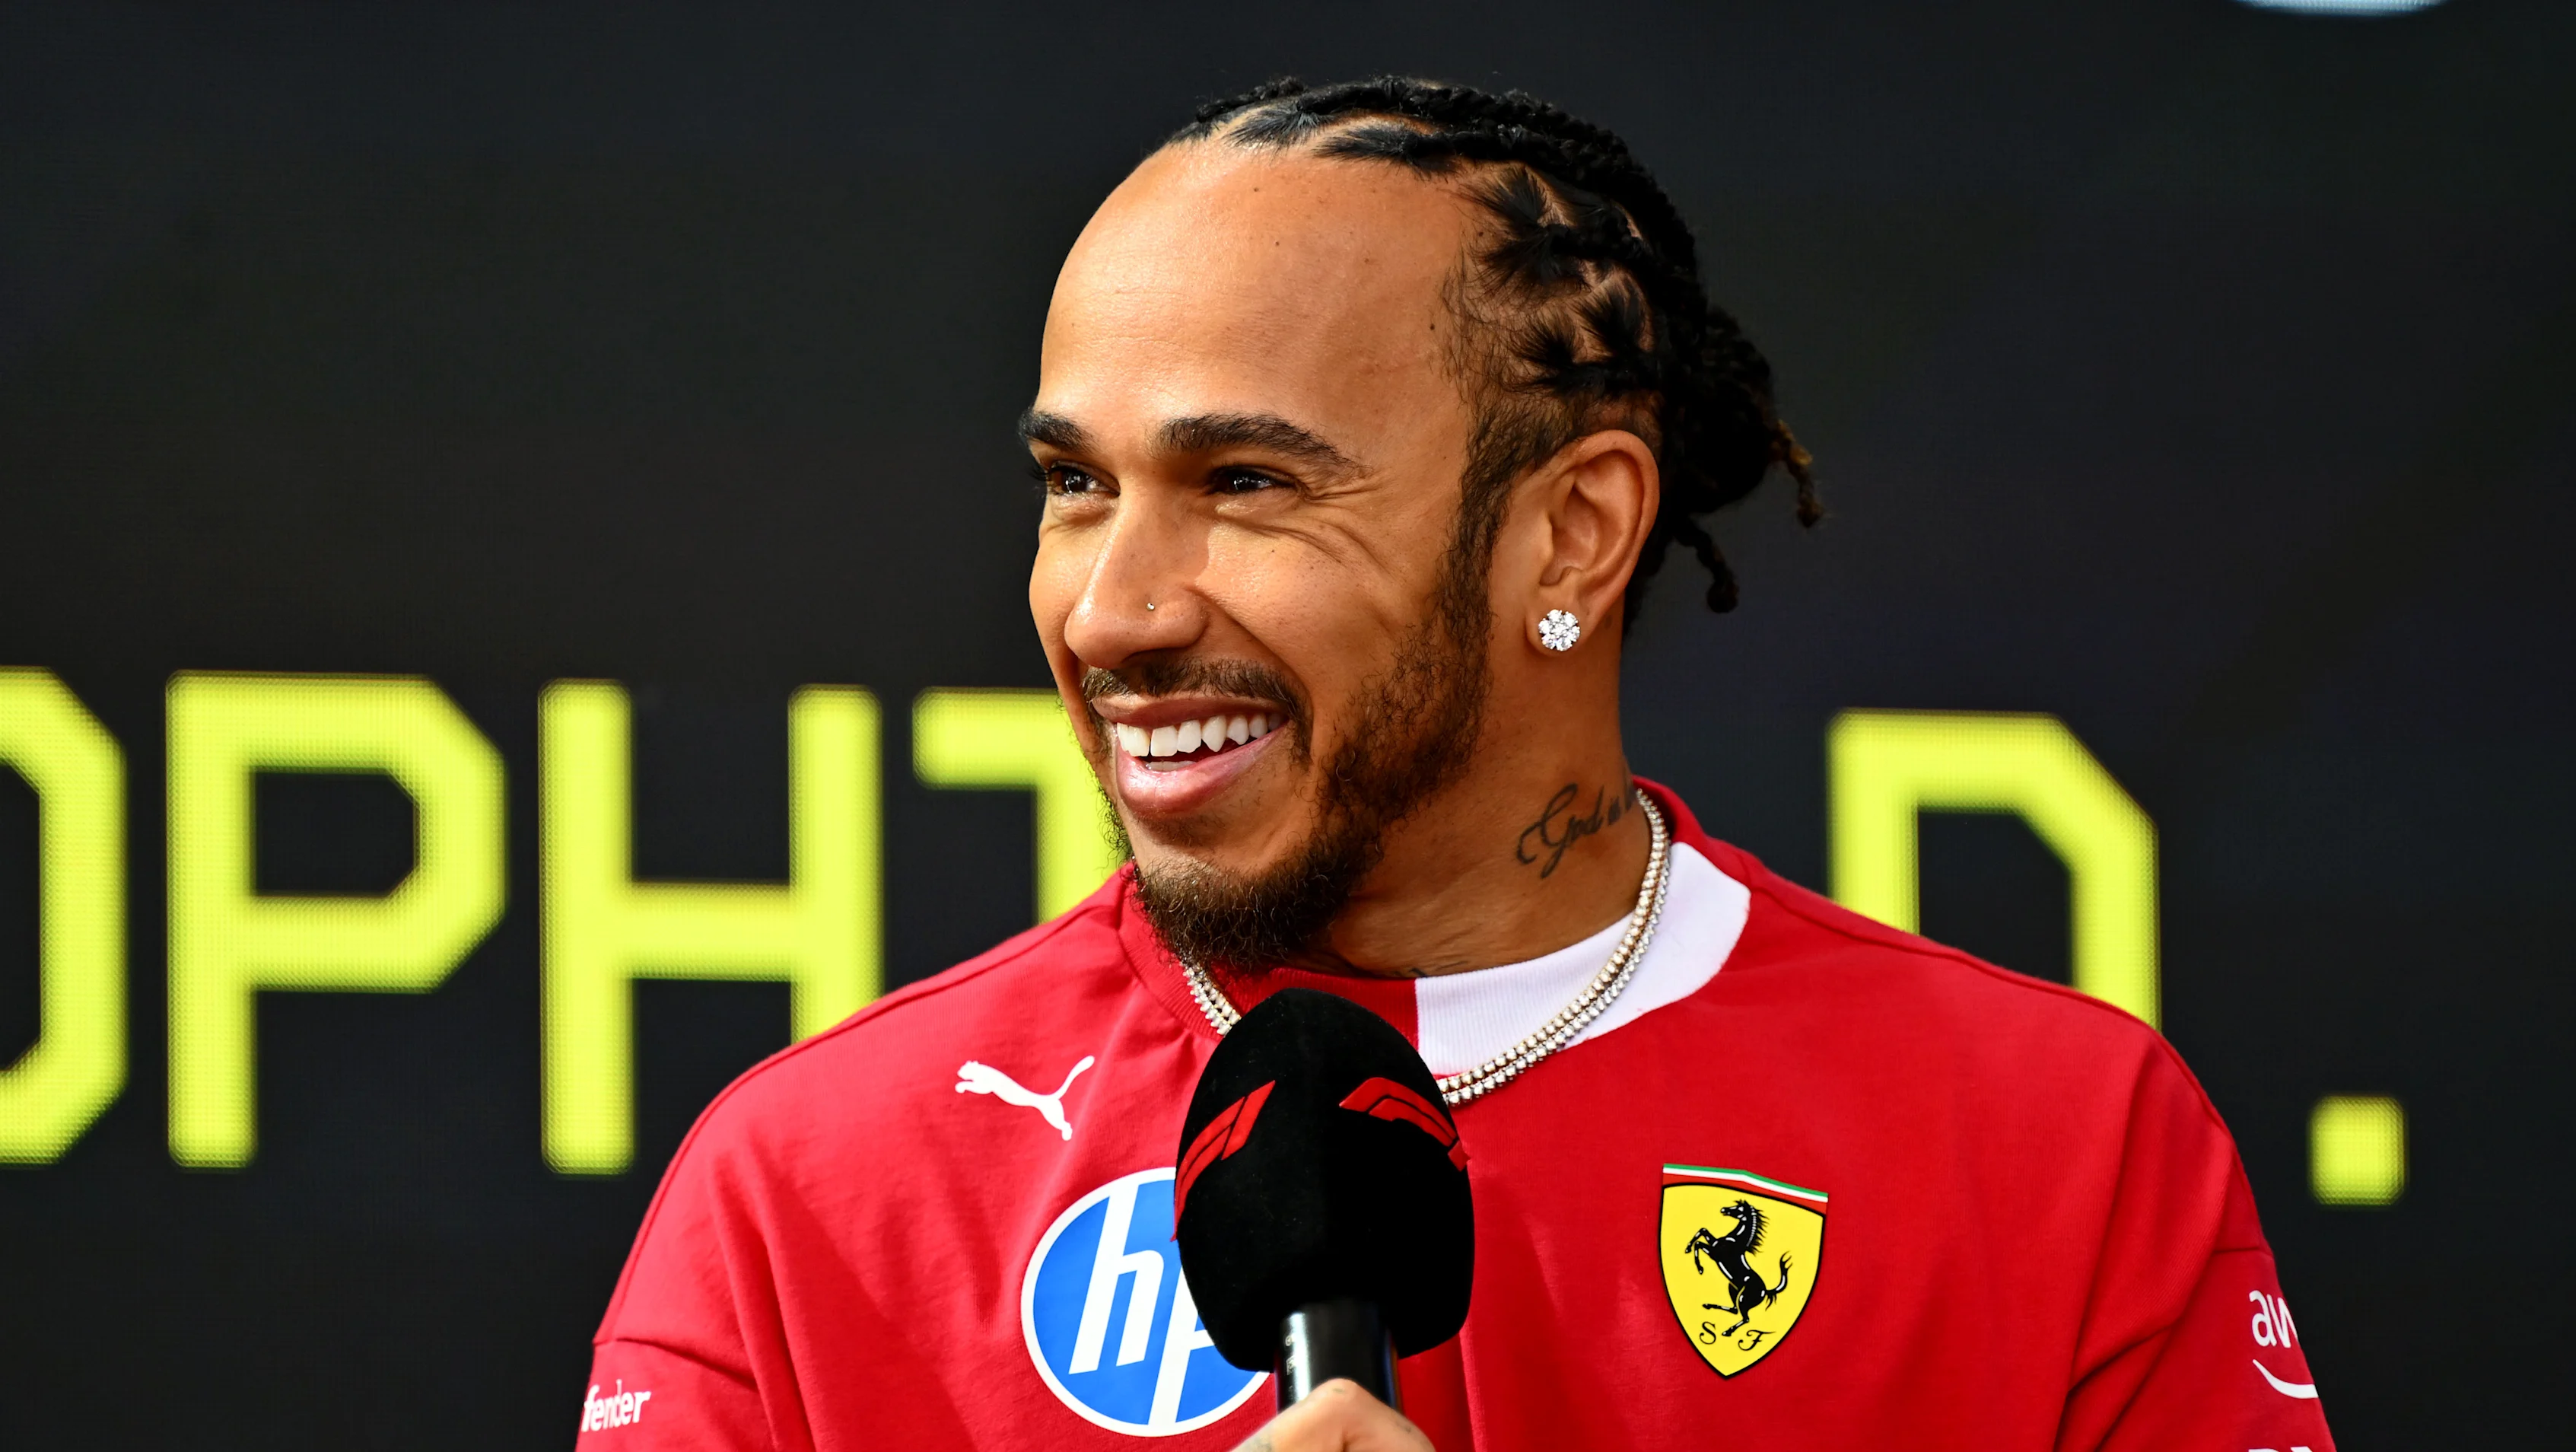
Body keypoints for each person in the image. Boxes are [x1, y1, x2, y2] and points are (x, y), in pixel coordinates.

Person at [573, 77, 2336, 1451]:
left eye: (1246, 484)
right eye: (1074, 485)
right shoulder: (813, 1191)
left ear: (1571, 533)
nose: (1110, 610)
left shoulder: (2055, 1147)